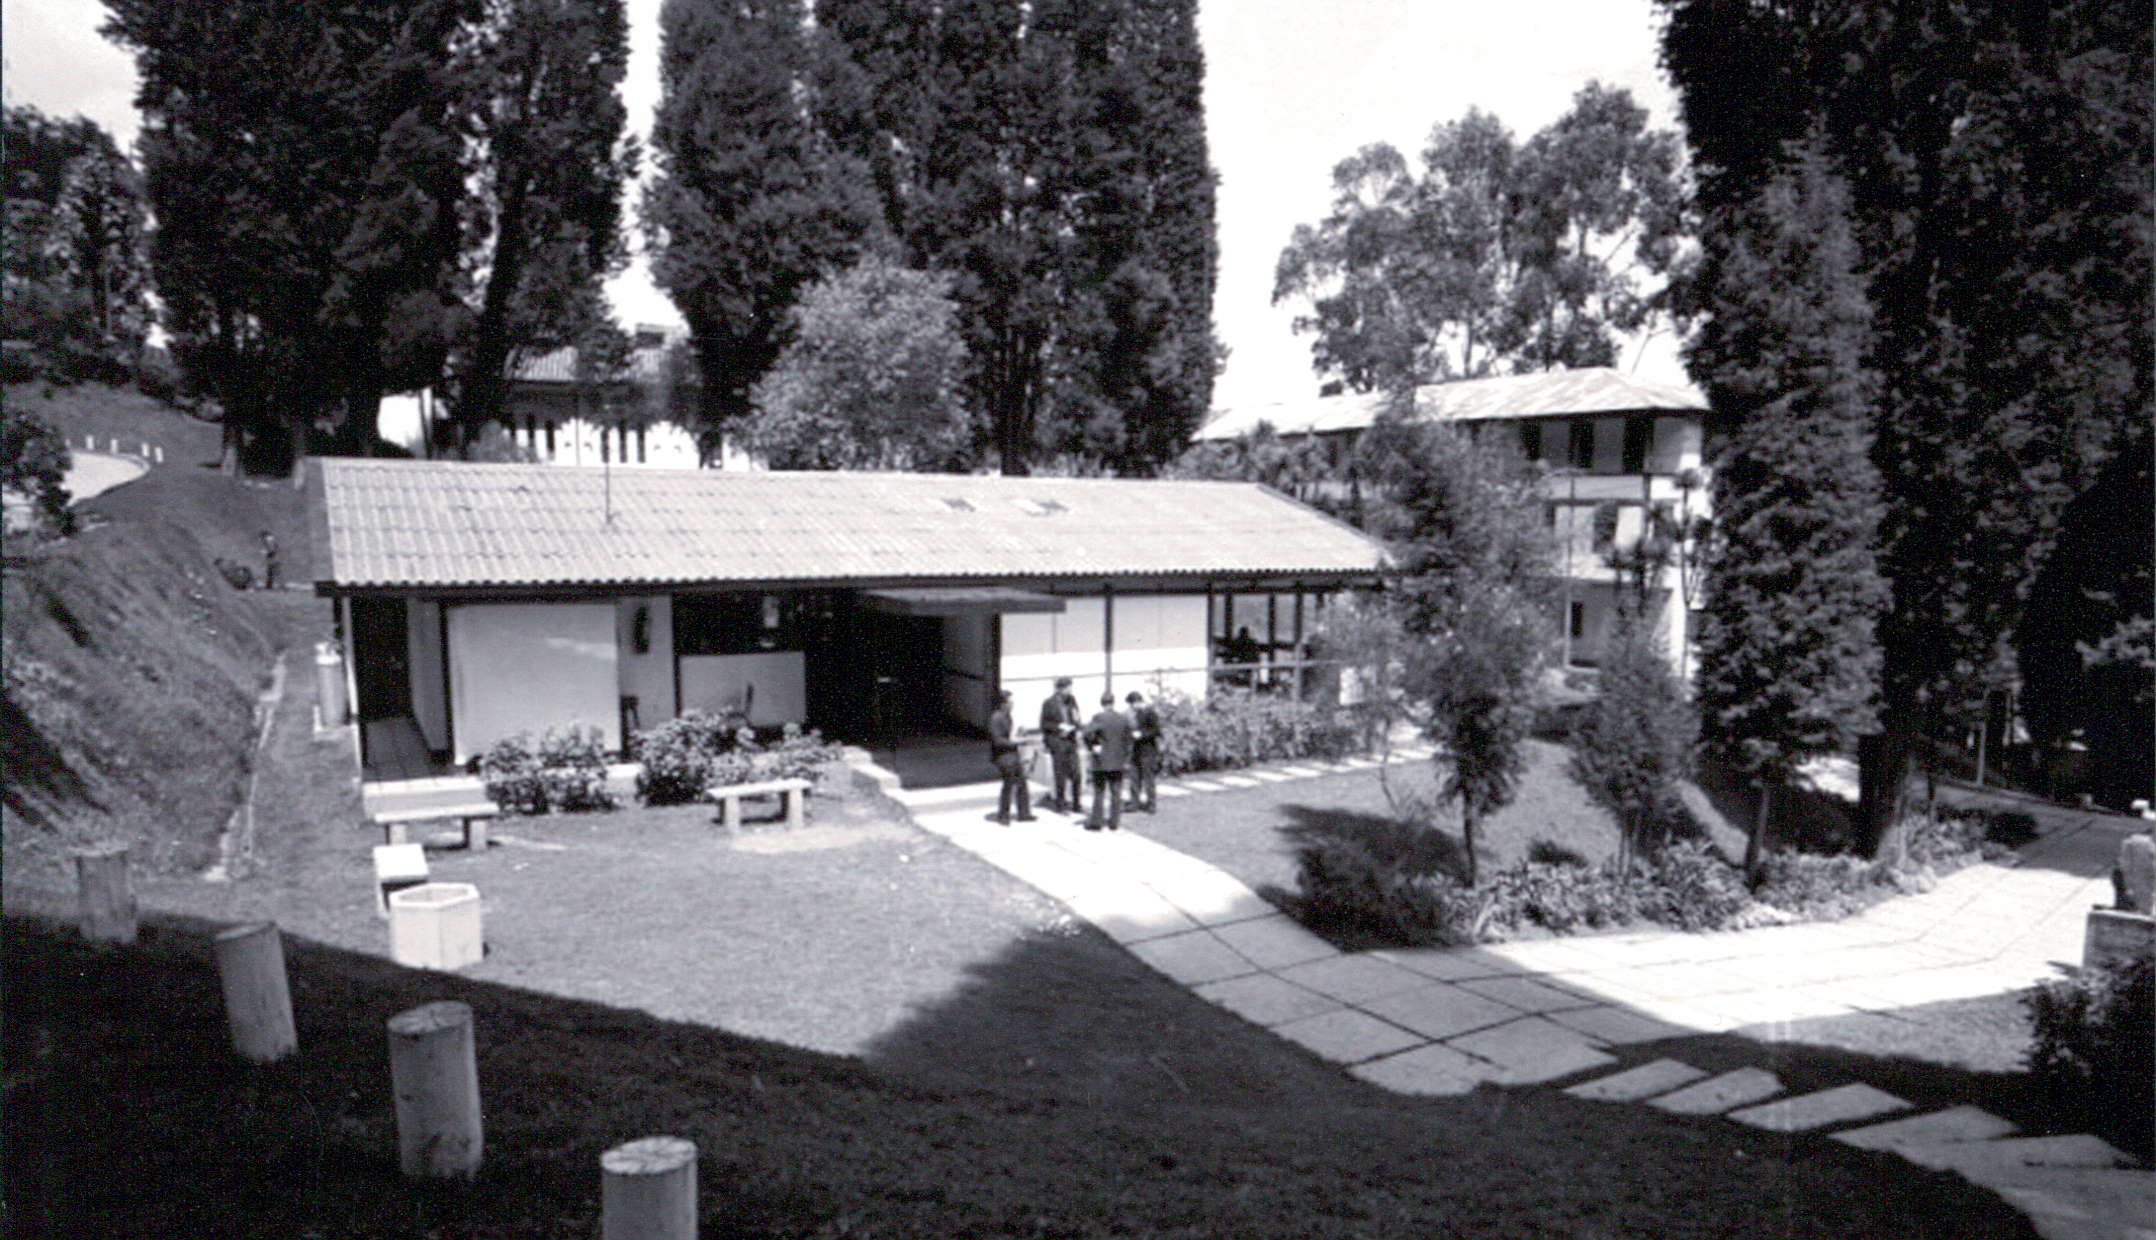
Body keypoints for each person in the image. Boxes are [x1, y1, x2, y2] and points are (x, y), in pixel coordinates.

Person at [1083, 691, 1133, 831]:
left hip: (1102, 760)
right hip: (1118, 760)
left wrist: (1093, 746)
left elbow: (1086, 733)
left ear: (1102, 703)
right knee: (1116, 792)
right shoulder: (1122, 718)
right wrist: (1124, 755)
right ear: (1113, 702)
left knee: (1099, 792)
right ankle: (1114, 822)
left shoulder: (1099, 718)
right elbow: (1129, 739)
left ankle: (1096, 822)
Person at [986, 690, 1035, 825]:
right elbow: (997, 740)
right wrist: (1016, 742)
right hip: (1003, 755)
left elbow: (1009, 735)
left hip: (1012, 754)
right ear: (1003, 704)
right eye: (1010, 702)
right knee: (1008, 783)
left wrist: (1020, 734)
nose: (1012, 704)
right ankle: (1004, 815)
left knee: (1022, 782)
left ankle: (1024, 813)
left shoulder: (1008, 716)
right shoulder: (996, 718)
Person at [1040, 676, 1083, 813]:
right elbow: (1044, 724)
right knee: (1060, 775)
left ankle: (1077, 803)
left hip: (1070, 741)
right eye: (1067, 688)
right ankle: (1061, 803)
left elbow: (1077, 717)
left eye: (1070, 687)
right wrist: (1059, 727)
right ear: (1059, 689)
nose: (1070, 690)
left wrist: (1075, 725)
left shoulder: (1072, 701)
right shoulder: (1049, 703)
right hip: (1057, 742)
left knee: (1076, 774)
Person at [1126, 689, 1161, 813]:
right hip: (1137, 750)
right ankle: (1134, 803)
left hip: (1148, 751)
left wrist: (1141, 734)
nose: (1131, 707)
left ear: (1137, 702)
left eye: (1132, 704)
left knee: (1148, 778)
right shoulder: (1137, 714)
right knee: (1134, 778)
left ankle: (1151, 804)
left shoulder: (1150, 713)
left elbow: (1156, 731)